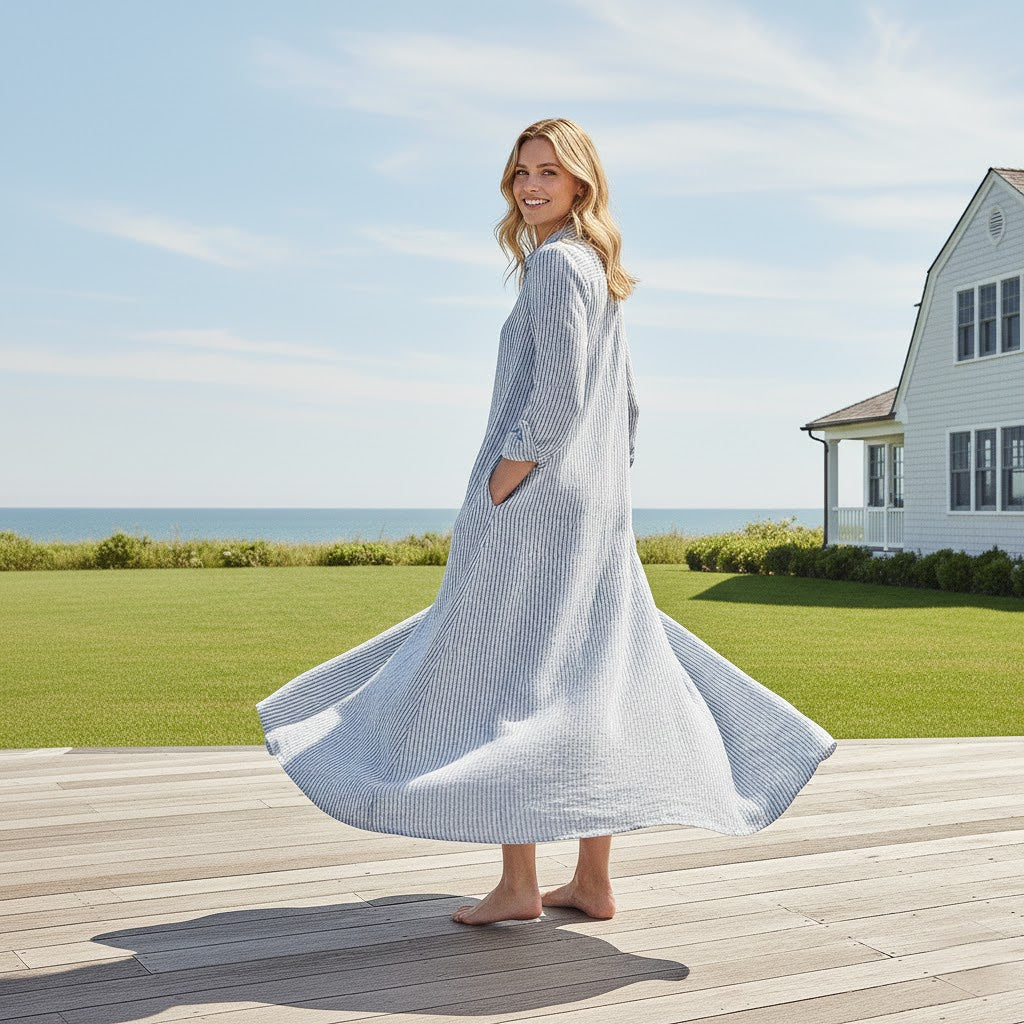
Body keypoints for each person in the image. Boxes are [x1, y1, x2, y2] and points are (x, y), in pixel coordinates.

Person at [257, 118, 837, 929]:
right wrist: (599, 490)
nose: (530, 186)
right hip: (591, 511)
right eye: (521, 172)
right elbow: (627, 409)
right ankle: (591, 882)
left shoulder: (557, 267)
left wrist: (506, 477)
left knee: (504, 679)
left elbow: (561, 396)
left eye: (548, 173)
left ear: (580, 186)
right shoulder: (597, 271)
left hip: (533, 509)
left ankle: (519, 885)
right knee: (592, 679)